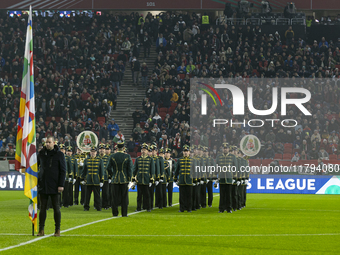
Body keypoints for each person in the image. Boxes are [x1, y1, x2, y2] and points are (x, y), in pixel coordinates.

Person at [37, 135, 66, 237]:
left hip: (55, 186)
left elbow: (63, 171)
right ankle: (41, 229)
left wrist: (61, 185)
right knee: (42, 208)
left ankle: (57, 229)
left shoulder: (59, 155)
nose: (47, 144)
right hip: (43, 185)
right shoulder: (41, 154)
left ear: (54, 143)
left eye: (49, 142)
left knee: (56, 208)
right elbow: (35, 166)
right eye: (46, 142)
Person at [107, 141, 133, 217]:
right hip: (124, 179)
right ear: (124, 148)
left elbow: (108, 168)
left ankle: (115, 213)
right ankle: (124, 213)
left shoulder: (112, 156)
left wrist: (112, 175)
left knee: (114, 198)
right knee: (124, 198)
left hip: (114, 179)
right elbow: (130, 169)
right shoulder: (127, 156)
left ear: (117, 148)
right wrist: (129, 179)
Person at [132, 143, 155, 212]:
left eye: (145, 150)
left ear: (147, 151)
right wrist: (133, 178)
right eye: (142, 150)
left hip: (147, 179)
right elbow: (135, 169)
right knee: (139, 196)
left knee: (147, 195)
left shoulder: (150, 159)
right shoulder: (138, 159)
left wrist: (151, 179)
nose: (143, 151)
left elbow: (152, 170)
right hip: (139, 180)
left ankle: (148, 207)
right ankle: (138, 207)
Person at [215, 143, 237, 213]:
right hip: (221, 178)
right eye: (224, 148)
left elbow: (235, 168)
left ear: (228, 149)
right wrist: (216, 177)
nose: (225, 149)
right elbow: (216, 168)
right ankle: (221, 208)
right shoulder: (218, 157)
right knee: (222, 194)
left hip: (229, 177)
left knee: (229, 195)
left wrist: (234, 178)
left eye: (226, 148)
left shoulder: (233, 157)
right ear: (222, 149)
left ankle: (229, 208)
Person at [81, 146, 104, 211]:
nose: (93, 153)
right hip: (88, 180)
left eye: (94, 152)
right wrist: (82, 179)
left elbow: (102, 171)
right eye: (92, 151)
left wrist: (102, 180)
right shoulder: (86, 160)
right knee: (87, 196)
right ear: (90, 152)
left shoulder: (100, 160)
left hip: (96, 180)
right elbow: (84, 170)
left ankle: (98, 207)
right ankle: (86, 207)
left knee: (97, 195)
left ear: (96, 152)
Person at [174, 144, 194, 212]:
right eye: (184, 151)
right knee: (182, 196)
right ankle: (182, 208)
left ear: (189, 152)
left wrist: (195, 180)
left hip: (189, 180)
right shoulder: (179, 160)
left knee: (189, 195)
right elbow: (177, 170)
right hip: (182, 180)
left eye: (187, 151)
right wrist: (175, 178)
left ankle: (189, 208)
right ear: (183, 152)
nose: (185, 152)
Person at [99, 143, 110, 210]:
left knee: (106, 192)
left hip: (106, 177)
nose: (102, 150)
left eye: (103, 149)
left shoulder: (108, 158)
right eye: (100, 149)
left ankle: (106, 205)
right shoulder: (97, 157)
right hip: (98, 177)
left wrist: (109, 177)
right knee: (97, 193)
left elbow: (110, 168)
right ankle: (97, 205)